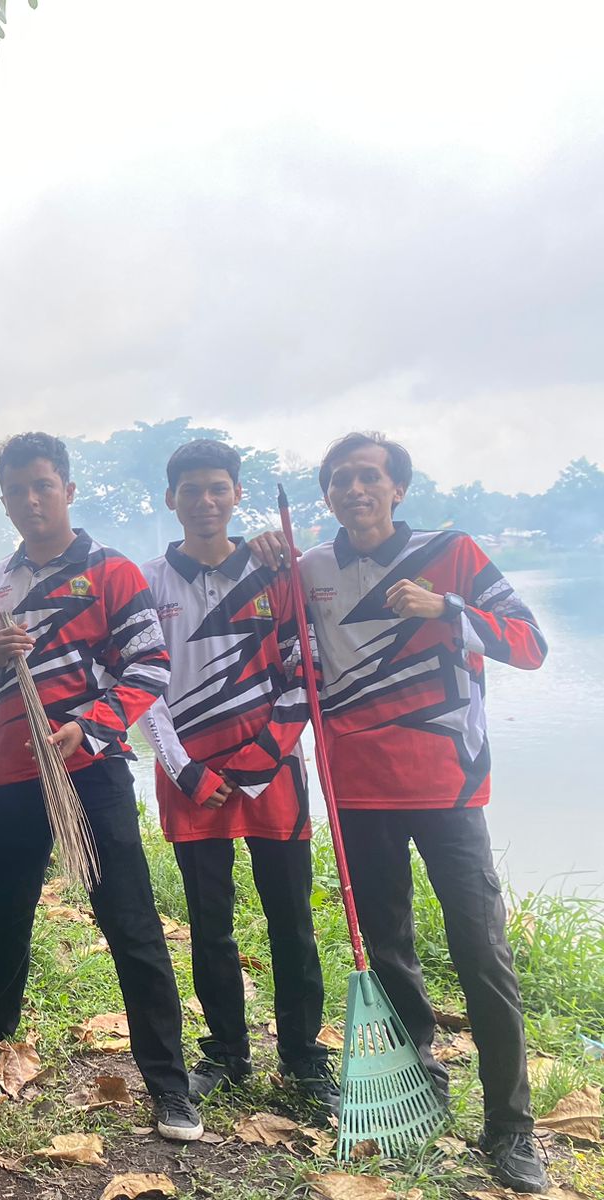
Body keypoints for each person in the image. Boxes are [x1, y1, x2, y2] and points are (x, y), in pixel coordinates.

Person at [250, 431, 549, 1193]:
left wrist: (448, 609)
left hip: (447, 788)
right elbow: (283, 655)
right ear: (326, 496)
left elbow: (531, 645)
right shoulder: (310, 567)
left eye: (369, 477)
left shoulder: (455, 554)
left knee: (482, 954)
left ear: (398, 488)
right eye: (341, 480)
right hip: (357, 790)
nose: (355, 490)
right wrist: (265, 570)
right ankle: (419, 1083)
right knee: (389, 950)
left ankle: (512, 1129)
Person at [0, 432, 203, 1142]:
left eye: (43, 485)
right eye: (17, 490)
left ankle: (169, 1084)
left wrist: (91, 729)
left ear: (67, 488)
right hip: (8, 772)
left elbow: (150, 668)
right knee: (5, 918)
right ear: (4, 499)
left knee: (129, 923)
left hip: (89, 773)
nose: (31, 501)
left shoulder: (111, 571)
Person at [136, 439, 335, 1113]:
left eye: (218, 488)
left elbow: (301, 674)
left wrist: (255, 765)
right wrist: (185, 770)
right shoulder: (149, 581)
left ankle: (304, 1057)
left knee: (292, 920)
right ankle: (226, 1052)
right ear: (172, 500)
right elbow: (144, 689)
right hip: (189, 776)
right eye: (191, 490)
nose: (205, 501)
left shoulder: (277, 571)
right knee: (209, 923)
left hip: (270, 770)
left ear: (236, 496)